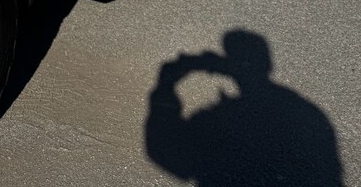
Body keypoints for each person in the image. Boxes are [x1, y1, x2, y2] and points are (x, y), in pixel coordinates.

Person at [145, 30, 342, 186]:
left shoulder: (220, 117)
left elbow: (166, 154)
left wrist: (164, 87)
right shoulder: (307, 111)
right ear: (267, 63)